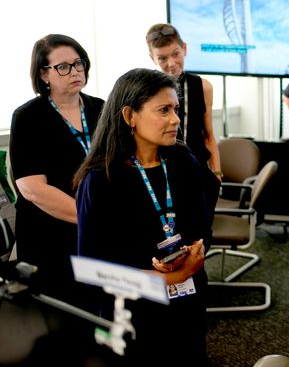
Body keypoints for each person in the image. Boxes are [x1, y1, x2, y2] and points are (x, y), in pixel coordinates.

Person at [75, 68, 211, 364]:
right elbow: (92, 271)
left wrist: (191, 257)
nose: (175, 119)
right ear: (129, 116)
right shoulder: (101, 180)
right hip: (131, 316)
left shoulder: (182, 161)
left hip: (187, 304)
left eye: (175, 109)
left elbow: (203, 230)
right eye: (163, 110)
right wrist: (173, 276)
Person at [9, 34, 105, 302]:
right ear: (43, 74)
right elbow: (33, 189)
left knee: (97, 306)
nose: (74, 71)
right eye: (63, 67)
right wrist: (90, 219)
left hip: (96, 225)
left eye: (78, 63)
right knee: (60, 314)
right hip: (49, 232)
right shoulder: (28, 117)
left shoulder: (101, 109)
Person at [146, 23, 221, 208]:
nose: (171, 64)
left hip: (200, 174)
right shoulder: (145, 90)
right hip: (163, 175)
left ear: (184, 49)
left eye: (175, 54)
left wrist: (217, 175)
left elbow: (209, 135)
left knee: (203, 234)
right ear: (152, 58)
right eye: (162, 58)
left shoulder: (203, 87)